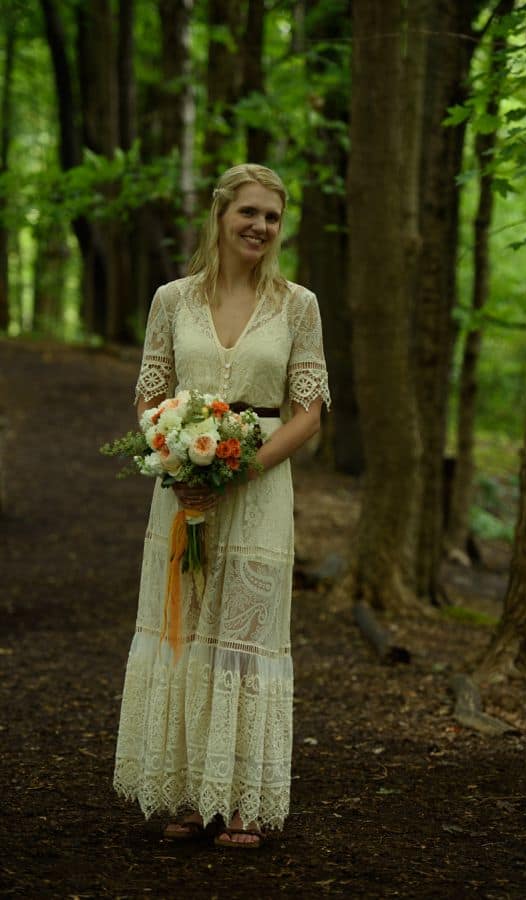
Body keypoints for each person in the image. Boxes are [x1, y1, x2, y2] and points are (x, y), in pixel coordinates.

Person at [113, 164, 330, 847]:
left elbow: (308, 413)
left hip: (259, 490)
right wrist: (176, 458)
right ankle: (186, 793)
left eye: (272, 217)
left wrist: (239, 470)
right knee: (184, 628)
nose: (260, 226)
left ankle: (240, 802)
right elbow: (150, 395)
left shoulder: (298, 305)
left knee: (245, 636)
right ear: (220, 215)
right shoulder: (171, 300)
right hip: (182, 491)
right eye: (249, 212)